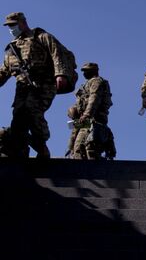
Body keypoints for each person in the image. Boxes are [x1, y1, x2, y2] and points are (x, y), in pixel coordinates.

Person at [0, 12, 72, 158]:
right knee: (18, 118)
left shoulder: (41, 37)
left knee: (32, 110)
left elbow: (57, 54)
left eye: (13, 25)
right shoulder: (11, 49)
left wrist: (61, 74)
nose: (11, 28)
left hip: (43, 83)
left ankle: (41, 145)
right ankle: (20, 150)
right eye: (9, 26)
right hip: (22, 88)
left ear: (23, 22)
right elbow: (4, 71)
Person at [66, 62, 115, 160]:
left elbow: (94, 99)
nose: (84, 73)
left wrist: (87, 115)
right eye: (83, 71)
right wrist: (73, 110)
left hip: (93, 120)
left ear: (94, 71)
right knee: (74, 146)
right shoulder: (86, 84)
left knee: (81, 147)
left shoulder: (96, 82)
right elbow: (82, 102)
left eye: (87, 71)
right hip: (83, 120)